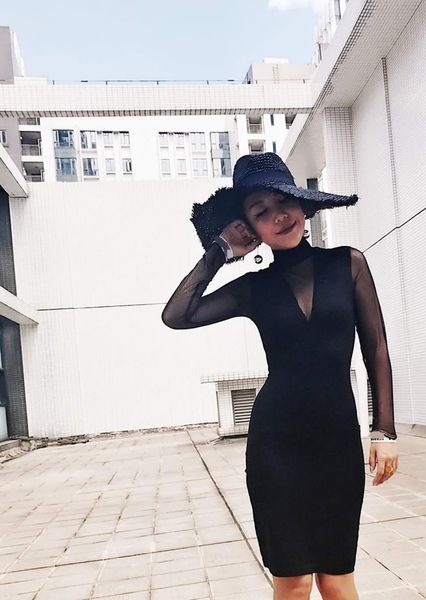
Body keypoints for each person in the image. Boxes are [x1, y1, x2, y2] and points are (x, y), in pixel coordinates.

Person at [161, 153, 398, 600]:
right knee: (292, 583)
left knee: (337, 580)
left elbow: (377, 349)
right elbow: (177, 315)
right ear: (251, 227)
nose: (278, 215)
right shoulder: (254, 288)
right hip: (276, 447)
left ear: (302, 203)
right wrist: (219, 251)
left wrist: (383, 430)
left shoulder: (348, 264)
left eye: (283, 201)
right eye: (260, 211)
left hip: (337, 443)